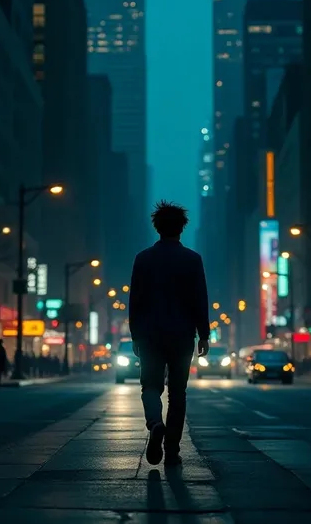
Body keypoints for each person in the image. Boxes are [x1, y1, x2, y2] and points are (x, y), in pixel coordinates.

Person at [129, 200, 210, 468]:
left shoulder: (142, 259)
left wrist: (135, 335)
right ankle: (172, 449)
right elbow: (200, 299)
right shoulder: (193, 260)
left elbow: (136, 302)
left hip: (150, 335)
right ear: (182, 228)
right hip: (182, 335)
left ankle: (154, 423)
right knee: (178, 393)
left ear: (157, 227)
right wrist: (204, 334)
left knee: (150, 386)